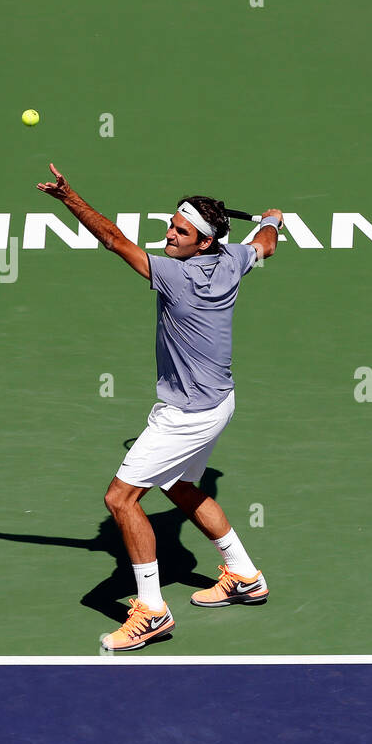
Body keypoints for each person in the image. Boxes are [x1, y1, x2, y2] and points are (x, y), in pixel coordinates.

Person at [35, 163, 283, 650]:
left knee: (120, 500)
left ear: (204, 242)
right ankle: (245, 575)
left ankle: (151, 611)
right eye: (171, 225)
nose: (169, 234)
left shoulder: (173, 276)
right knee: (182, 486)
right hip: (219, 402)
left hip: (186, 414)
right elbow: (266, 244)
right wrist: (273, 219)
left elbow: (111, 238)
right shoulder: (234, 260)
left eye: (181, 230)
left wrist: (69, 197)